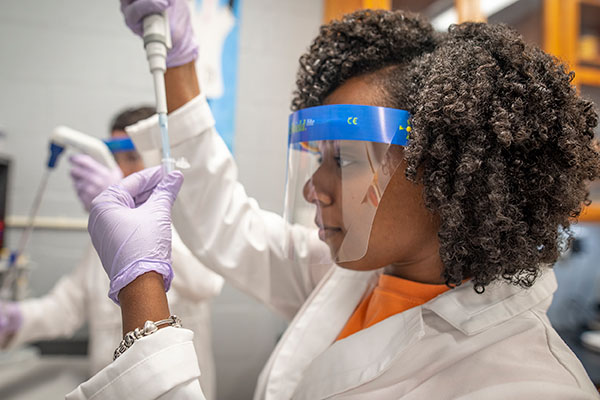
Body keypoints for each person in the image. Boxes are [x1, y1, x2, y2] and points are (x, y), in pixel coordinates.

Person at [69, 2, 600, 399]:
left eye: (342, 159)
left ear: (443, 167)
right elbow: (228, 226)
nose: (311, 188)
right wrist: (181, 64)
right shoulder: (353, 277)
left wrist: (141, 294)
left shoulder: (528, 384)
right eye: (317, 158)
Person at [0, 107, 223, 400]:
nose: (120, 171)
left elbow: (206, 283)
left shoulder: (187, 222)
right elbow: (66, 308)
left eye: (131, 158)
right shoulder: (108, 241)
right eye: (114, 159)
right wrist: (15, 319)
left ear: (157, 159)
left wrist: (138, 229)